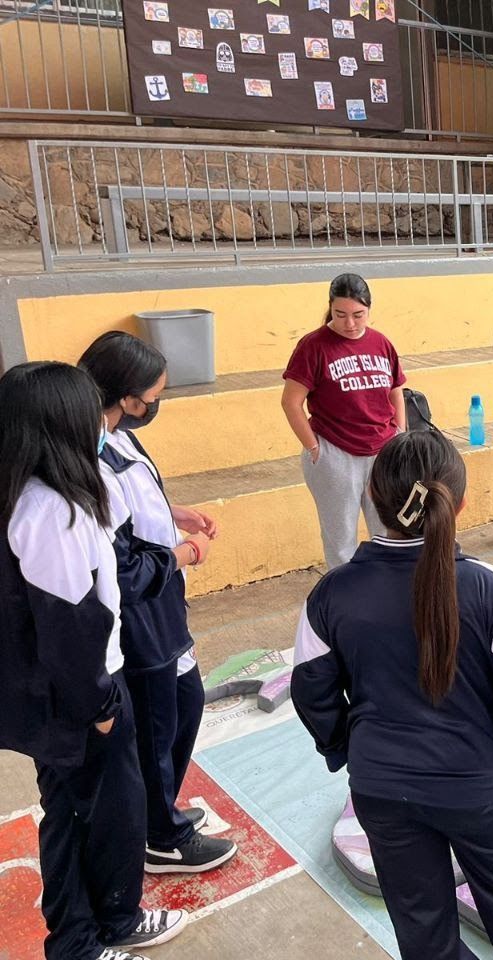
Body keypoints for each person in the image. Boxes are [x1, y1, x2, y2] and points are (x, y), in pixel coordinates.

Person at [291, 428, 493, 960]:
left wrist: (350, 747)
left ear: (372, 497)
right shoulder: (492, 589)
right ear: (460, 503)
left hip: (382, 788)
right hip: (482, 789)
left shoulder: (331, 594)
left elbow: (312, 691)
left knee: (420, 924)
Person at [0, 362, 187, 960]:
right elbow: (70, 627)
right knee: (102, 814)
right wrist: (101, 706)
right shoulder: (54, 511)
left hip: (59, 696)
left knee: (73, 810)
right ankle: (96, 933)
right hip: (80, 698)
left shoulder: (26, 492)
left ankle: (90, 929)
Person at [79, 332, 239, 875]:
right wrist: (185, 553)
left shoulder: (118, 436)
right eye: (152, 396)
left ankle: (159, 808)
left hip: (163, 603)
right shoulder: (91, 458)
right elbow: (122, 566)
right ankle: (159, 837)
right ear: (126, 397)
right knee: (154, 725)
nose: (155, 406)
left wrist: (179, 516)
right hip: (140, 615)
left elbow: (140, 508)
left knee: (185, 704)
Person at [282, 273, 407, 569]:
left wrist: (400, 434)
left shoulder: (381, 343)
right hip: (335, 452)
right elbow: (291, 402)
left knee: (390, 531)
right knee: (341, 541)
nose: (350, 324)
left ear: (369, 310)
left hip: (382, 452)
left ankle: (388, 587)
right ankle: (345, 600)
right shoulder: (313, 346)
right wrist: (313, 447)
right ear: (330, 309)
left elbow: (396, 392)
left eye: (358, 315)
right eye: (341, 315)